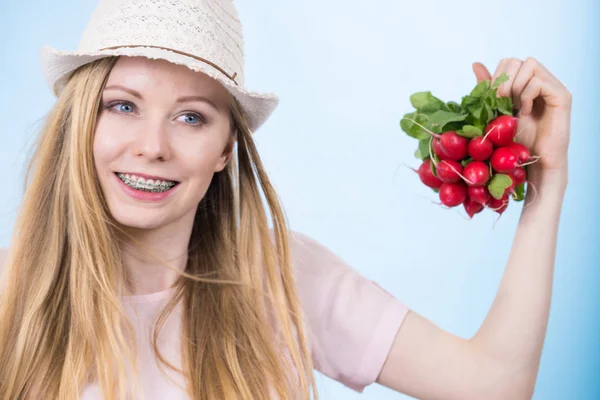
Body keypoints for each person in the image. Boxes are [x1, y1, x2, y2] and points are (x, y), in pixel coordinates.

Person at [0, 1, 571, 399]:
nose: (152, 147)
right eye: (123, 105)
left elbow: (494, 385)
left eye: (191, 117)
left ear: (225, 148)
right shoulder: (9, 292)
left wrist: (546, 180)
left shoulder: (281, 274)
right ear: (80, 121)